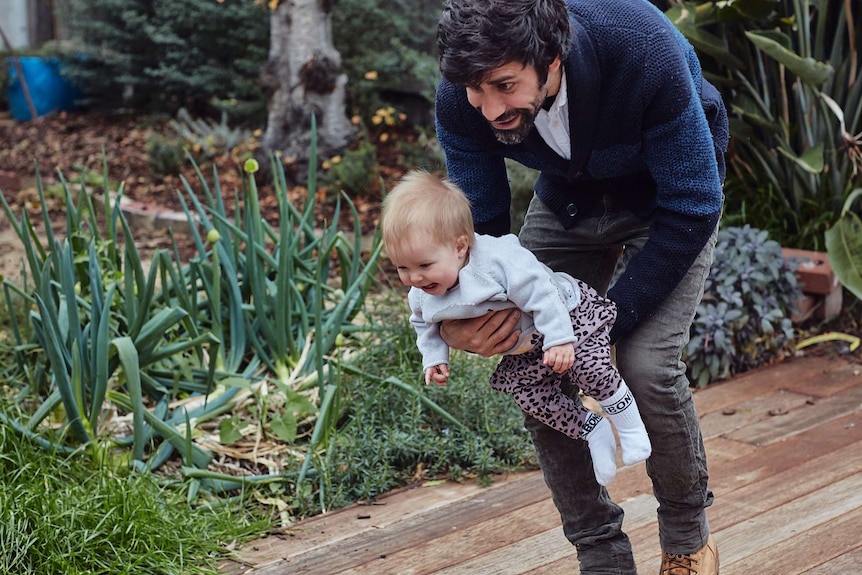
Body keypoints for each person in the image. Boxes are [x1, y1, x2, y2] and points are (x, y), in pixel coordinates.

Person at [434, 0, 728, 573]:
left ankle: (689, 543)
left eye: (505, 85)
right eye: (475, 89)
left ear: (551, 56)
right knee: (536, 365)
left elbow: (693, 204)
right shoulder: (463, 92)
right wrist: (463, 312)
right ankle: (601, 555)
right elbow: (482, 233)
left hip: (670, 202)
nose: (490, 108)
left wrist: (597, 324)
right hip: (571, 197)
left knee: (646, 365)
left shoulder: (642, 46)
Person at [381, 169, 652, 486]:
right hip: (528, 347)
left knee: (588, 369)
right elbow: (422, 323)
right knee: (529, 395)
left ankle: (631, 427)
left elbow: (542, 291)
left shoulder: (496, 262)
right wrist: (435, 357)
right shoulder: (423, 292)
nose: (415, 278)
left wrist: (561, 340)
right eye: (402, 268)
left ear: (459, 247)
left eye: (424, 266)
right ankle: (592, 428)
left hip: (568, 313)